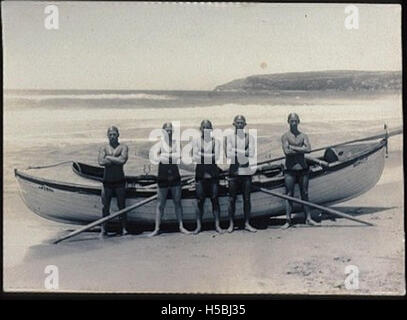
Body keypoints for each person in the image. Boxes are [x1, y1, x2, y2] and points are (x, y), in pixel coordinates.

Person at [149, 122, 192, 236]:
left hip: (175, 176)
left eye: (170, 130)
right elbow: (155, 158)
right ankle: (157, 228)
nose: (168, 131)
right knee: (160, 204)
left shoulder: (177, 144)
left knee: (177, 202)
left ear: (173, 131)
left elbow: (178, 158)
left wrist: (165, 156)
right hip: (162, 176)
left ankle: (181, 226)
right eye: (166, 130)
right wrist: (169, 156)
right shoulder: (158, 144)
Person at [281, 113, 319, 229]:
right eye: (291, 121)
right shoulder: (285, 136)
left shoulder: (304, 136)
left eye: (295, 121)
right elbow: (287, 152)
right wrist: (301, 149)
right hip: (290, 170)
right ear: (288, 122)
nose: (293, 123)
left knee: (305, 193)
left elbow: (308, 149)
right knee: (289, 195)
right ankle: (288, 220)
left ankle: (308, 218)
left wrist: (293, 147)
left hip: (303, 169)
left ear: (298, 122)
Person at [225, 115, 257, 233]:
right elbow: (228, 155)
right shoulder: (229, 138)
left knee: (247, 199)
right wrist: (244, 151)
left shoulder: (250, 137)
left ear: (245, 124)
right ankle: (231, 224)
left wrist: (235, 150)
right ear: (234, 124)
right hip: (233, 172)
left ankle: (247, 223)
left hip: (246, 171)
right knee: (231, 199)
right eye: (238, 122)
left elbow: (252, 153)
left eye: (242, 123)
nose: (239, 125)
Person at [192, 120, 225, 234]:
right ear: (200, 129)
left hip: (213, 174)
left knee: (215, 199)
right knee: (200, 200)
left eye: (208, 127)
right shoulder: (196, 141)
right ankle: (198, 226)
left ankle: (217, 225)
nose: (206, 129)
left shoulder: (216, 142)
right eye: (204, 127)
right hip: (200, 174)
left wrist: (202, 154)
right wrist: (208, 156)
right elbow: (195, 158)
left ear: (211, 129)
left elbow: (216, 158)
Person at [98, 126, 129, 237]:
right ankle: (104, 229)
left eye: (114, 134)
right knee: (105, 207)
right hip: (107, 182)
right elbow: (101, 162)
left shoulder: (123, 147)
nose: (112, 136)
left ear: (118, 135)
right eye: (110, 134)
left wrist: (109, 158)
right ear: (107, 135)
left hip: (120, 181)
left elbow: (122, 161)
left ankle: (124, 228)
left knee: (122, 206)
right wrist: (116, 159)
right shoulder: (104, 148)